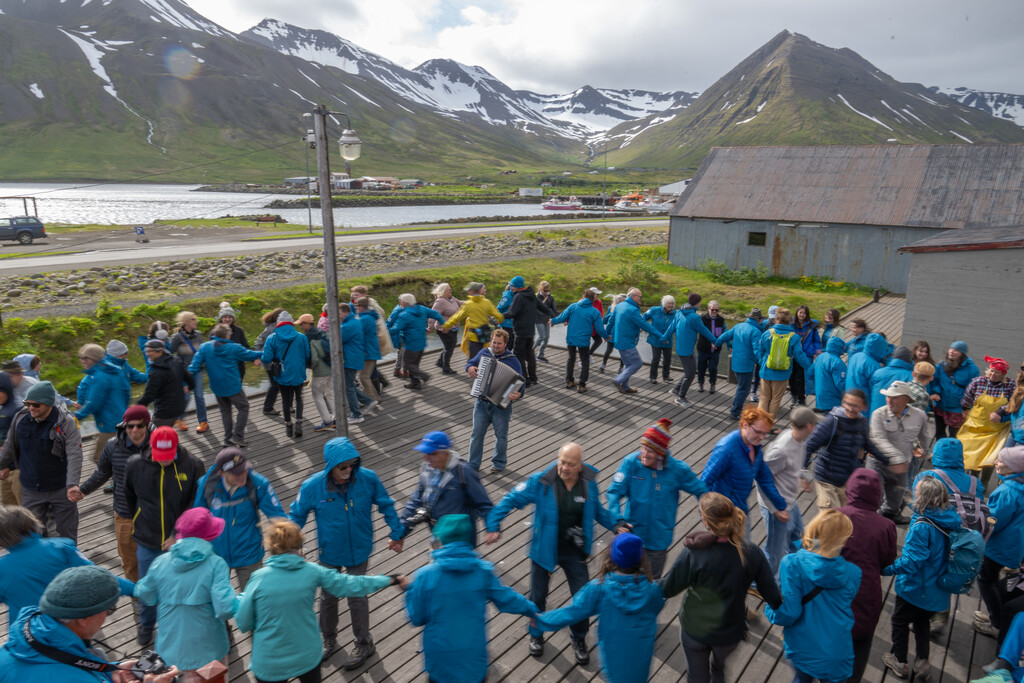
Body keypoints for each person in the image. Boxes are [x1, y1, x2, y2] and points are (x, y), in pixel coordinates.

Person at [485, 442, 618, 664]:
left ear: (580, 466)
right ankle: (536, 635)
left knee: (582, 598)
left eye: (570, 464)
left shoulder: (588, 483)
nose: (564, 467)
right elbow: (511, 499)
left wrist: (617, 524)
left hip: (575, 550)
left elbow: (597, 511)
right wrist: (493, 524)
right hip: (544, 549)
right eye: (562, 461)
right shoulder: (542, 481)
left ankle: (578, 638)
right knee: (538, 597)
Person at [236, 519, 406, 683]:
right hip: (306, 656)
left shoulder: (258, 578)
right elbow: (352, 584)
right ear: (299, 547)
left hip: (269, 663)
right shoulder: (312, 571)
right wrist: (391, 579)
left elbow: (243, 622)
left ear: (272, 548)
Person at [288, 437, 405, 668]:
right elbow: (296, 515)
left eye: (353, 464)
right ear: (330, 466)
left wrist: (397, 533)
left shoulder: (368, 479)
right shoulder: (312, 486)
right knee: (328, 598)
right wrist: (292, 543)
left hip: (359, 549)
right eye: (343, 466)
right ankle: (328, 639)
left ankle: (364, 643)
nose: (349, 470)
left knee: (357, 597)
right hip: (329, 551)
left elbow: (386, 504)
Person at [660, 492, 782, 683]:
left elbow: (668, 588)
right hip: (730, 631)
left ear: (706, 521)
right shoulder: (752, 553)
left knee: (696, 676)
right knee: (719, 668)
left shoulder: (694, 552)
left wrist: (643, 582)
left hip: (695, 629)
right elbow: (773, 597)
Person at [406, 514, 538, 683]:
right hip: (473, 663)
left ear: (439, 541)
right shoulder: (483, 571)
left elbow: (416, 618)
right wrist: (531, 610)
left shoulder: (424, 576)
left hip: (440, 664)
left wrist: (411, 589)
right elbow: (507, 598)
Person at [0, 565, 179, 683]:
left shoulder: (26, 638)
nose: (105, 618)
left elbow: (62, 661)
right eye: (109, 610)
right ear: (83, 619)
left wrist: (109, 671)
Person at [534, 533, 666, 683]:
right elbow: (659, 605)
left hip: (612, 657)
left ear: (612, 556)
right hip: (640, 658)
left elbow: (572, 611)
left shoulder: (599, 589)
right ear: (641, 558)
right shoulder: (652, 590)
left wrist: (541, 620)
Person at [123, 425, 205, 646]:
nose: (164, 461)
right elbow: (129, 497)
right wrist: (140, 521)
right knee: (147, 587)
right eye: (160, 456)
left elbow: (195, 503)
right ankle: (147, 625)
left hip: (181, 541)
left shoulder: (194, 465)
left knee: (184, 587)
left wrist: (177, 534)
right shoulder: (134, 465)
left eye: (168, 457)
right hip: (147, 540)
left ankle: (183, 627)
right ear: (150, 447)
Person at [134, 507, 237, 678]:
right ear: (210, 535)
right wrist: (241, 599)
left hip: (169, 651)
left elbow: (145, 595)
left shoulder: (160, 562)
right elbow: (225, 608)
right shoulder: (216, 564)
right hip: (210, 650)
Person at [0, 505, 134, 633]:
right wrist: (135, 589)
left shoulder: (3, 568)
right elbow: (97, 577)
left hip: (25, 635)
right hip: (67, 629)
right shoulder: (60, 548)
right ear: (32, 524)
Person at [881, 477, 963, 680]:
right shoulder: (950, 518)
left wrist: (888, 569)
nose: (913, 492)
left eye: (916, 491)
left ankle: (899, 661)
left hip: (915, 587)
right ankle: (922, 663)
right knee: (921, 624)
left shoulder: (921, 526)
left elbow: (912, 562)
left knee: (900, 621)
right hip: (935, 589)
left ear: (924, 497)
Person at [765, 510, 860, 683]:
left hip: (802, 647)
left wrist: (770, 610)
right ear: (844, 539)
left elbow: (790, 613)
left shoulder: (791, 563)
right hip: (837, 650)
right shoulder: (854, 573)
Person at [606, 418, 708, 578]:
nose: (644, 455)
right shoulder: (631, 463)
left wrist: (708, 515)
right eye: (642, 448)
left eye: (650, 451)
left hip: (658, 540)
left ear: (661, 452)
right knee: (623, 582)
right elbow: (614, 492)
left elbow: (702, 491)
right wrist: (616, 520)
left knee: (651, 584)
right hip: (632, 536)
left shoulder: (677, 470)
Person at [71, 405, 156, 581]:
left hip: (155, 514)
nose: (134, 430)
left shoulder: (160, 444)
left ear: (147, 425)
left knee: (159, 559)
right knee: (130, 561)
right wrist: (83, 489)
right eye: (129, 426)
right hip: (125, 514)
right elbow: (102, 472)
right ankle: (137, 598)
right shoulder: (112, 446)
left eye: (139, 425)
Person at [912, 438, 984, 635]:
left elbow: (917, 507)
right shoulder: (974, 482)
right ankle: (942, 615)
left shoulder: (926, 476)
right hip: (960, 539)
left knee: (927, 572)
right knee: (948, 572)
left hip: (932, 536)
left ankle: (923, 615)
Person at [0, 381, 83, 542]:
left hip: (61, 488)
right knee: (32, 535)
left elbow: (75, 454)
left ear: (49, 403)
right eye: (28, 403)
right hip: (31, 489)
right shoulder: (20, 418)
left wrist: (72, 484)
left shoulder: (66, 422)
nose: (31, 408)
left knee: (68, 535)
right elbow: (9, 447)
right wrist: (3, 465)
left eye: (36, 404)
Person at [194, 447, 285, 589]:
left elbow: (278, 518)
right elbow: (197, 518)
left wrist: (295, 547)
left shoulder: (259, 483)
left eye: (244, 469)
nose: (243, 475)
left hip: (249, 554)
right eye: (236, 473)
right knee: (218, 605)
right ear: (221, 473)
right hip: (216, 556)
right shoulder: (206, 484)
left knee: (253, 602)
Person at [837, 469, 898, 683]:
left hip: (832, 591)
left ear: (850, 489)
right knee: (860, 644)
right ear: (877, 494)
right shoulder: (887, 526)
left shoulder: (834, 515)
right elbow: (887, 563)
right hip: (866, 595)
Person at [802, 389, 897, 513]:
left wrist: (887, 461)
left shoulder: (862, 422)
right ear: (842, 403)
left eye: (855, 406)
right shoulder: (832, 421)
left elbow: (867, 444)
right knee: (830, 518)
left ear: (864, 406)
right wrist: (803, 474)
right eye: (848, 404)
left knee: (846, 520)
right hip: (826, 478)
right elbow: (809, 445)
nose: (851, 409)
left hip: (847, 480)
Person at [756, 407, 818, 580]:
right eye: (814, 424)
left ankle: (792, 574)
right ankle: (762, 584)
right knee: (775, 550)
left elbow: (796, 465)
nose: (816, 427)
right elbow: (762, 479)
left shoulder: (801, 440)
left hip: (790, 502)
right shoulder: (780, 450)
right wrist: (775, 509)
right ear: (808, 426)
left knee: (798, 539)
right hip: (777, 506)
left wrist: (804, 476)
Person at [399, 431, 492, 546]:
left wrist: (491, 527)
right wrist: (400, 532)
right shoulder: (426, 468)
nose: (425, 458)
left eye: (431, 453)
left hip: (460, 537)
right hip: (437, 533)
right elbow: (415, 500)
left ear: (445, 453)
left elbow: (483, 503)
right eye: (424, 453)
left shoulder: (464, 471)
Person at [700, 406, 791, 525]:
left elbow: (765, 480)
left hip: (740, 511)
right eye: (758, 432)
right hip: (722, 517)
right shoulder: (726, 449)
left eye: (765, 433)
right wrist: (707, 517)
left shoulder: (755, 448)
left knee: (744, 543)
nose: (762, 437)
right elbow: (703, 483)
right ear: (744, 425)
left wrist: (781, 506)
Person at [975, 446, 1024, 640]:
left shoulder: (1008, 491)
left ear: (1014, 467)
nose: (996, 463)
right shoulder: (1019, 486)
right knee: (993, 578)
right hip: (1013, 546)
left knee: (985, 580)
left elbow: (993, 521)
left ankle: (997, 623)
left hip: (998, 547)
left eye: (1001, 461)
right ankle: (997, 615)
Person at [188, 323, 262, 447]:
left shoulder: (205, 347)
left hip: (217, 387)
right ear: (227, 335)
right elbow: (251, 355)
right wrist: (266, 352)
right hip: (232, 386)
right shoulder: (234, 348)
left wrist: (185, 381)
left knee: (225, 411)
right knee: (244, 407)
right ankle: (238, 436)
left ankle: (227, 439)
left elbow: (194, 366)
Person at [868, 380, 933, 522]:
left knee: (895, 499)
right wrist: (897, 458)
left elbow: (924, 436)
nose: (889, 400)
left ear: (906, 399)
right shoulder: (878, 414)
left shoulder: (920, 415)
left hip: (903, 465)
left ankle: (889, 518)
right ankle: (869, 523)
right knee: (873, 496)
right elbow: (879, 439)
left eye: (894, 397)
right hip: (878, 462)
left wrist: (924, 450)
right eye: (888, 396)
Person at [466, 329, 523, 472]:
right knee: (476, 435)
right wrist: (470, 368)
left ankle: (498, 463)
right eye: (494, 343)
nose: (496, 346)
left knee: (501, 436)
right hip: (481, 402)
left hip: (500, 406)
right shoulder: (485, 353)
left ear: (505, 344)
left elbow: (521, 383)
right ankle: (473, 465)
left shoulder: (512, 360)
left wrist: (518, 394)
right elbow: (470, 363)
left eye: (499, 344)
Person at [959, 356, 1016, 474]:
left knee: (990, 458)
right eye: (992, 370)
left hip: (996, 430)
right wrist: (964, 409)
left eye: (998, 373)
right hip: (975, 426)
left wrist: (1000, 412)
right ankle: (972, 478)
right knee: (971, 454)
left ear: (1003, 375)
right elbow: (966, 399)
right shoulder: (977, 382)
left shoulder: (1010, 385)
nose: (993, 374)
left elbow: (1014, 402)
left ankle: (984, 482)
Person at [75, 343, 130, 462]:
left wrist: (76, 417)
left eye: (85, 358)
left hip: (110, 424)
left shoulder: (101, 376)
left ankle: (121, 479)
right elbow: (127, 393)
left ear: (94, 358)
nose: (82, 360)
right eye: (81, 358)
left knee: (99, 457)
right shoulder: (113, 370)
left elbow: (94, 403)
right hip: (120, 419)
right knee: (115, 455)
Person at [755, 307, 812, 418]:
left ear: (776, 319)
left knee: (764, 398)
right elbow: (799, 356)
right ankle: (769, 425)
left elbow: (759, 351)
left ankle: (760, 423)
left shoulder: (767, 333)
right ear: (789, 321)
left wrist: (763, 362)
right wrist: (810, 367)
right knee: (776, 400)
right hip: (782, 373)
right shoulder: (794, 337)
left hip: (766, 370)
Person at [261, 311, 311, 438]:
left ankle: (288, 425)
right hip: (298, 372)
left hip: (282, 373)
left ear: (278, 323)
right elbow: (307, 355)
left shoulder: (272, 338)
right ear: (291, 323)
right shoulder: (301, 337)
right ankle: (299, 423)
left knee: (285, 400)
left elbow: (266, 358)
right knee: (299, 398)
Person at [661, 298, 718, 406]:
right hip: (687, 351)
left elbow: (671, 327)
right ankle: (680, 397)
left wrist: (664, 337)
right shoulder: (694, 317)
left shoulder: (679, 313)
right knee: (690, 375)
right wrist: (715, 341)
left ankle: (676, 390)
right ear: (695, 303)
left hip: (680, 349)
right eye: (700, 301)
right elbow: (704, 330)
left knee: (689, 372)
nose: (701, 303)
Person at [550, 287, 607, 393]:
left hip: (571, 337)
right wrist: (606, 336)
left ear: (583, 296)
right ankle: (581, 385)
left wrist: (552, 321)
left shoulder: (573, 306)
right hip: (584, 340)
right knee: (585, 361)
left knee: (571, 359)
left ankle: (569, 381)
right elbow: (599, 328)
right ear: (592, 299)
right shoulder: (594, 311)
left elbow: (562, 317)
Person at [504, 275, 555, 385]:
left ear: (517, 287)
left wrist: (499, 316)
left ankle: (525, 380)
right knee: (530, 355)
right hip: (530, 331)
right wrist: (554, 317)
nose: (511, 288)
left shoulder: (519, 297)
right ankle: (533, 378)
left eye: (512, 286)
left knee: (519, 355)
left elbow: (512, 313)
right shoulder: (531, 295)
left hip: (520, 331)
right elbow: (543, 308)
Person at [715, 307, 765, 419]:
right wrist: (763, 362)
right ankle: (735, 411)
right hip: (746, 365)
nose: (761, 321)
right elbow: (757, 350)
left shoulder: (739, 326)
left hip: (735, 362)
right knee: (744, 389)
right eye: (761, 319)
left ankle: (736, 406)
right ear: (757, 319)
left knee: (740, 387)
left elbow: (724, 336)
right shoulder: (756, 332)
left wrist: (716, 343)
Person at [389, 293, 446, 390]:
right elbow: (436, 314)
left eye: (400, 300)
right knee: (414, 364)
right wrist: (443, 324)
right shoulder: (422, 309)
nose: (399, 302)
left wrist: (383, 332)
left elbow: (395, 329)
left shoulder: (404, 315)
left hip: (410, 344)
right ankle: (415, 383)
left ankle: (424, 376)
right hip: (421, 342)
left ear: (405, 302)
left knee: (408, 364)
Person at [610, 287, 660, 394]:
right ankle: (618, 380)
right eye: (639, 297)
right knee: (637, 363)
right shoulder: (633, 310)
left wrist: (606, 334)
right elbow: (645, 325)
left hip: (619, 340)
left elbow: (611, 321)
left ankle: (625, 387)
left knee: (628, 364)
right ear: (632, 296)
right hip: (627, 342)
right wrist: (660, 335)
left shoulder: (619, 306)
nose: (641, 299)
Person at [137, 339, 194, 429]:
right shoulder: (176, 361)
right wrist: (190, 387)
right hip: (179, 408)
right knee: (167, 433)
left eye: (149, 351)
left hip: (164, 413)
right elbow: (190, 379)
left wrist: (135, 408)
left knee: (156, 436)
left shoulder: (156, 372)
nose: (147, 354)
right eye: (146, 351)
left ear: (159, 351)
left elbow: (149, 396)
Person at [929, 341, 980, 440]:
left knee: (955, 437)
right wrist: (935, 392)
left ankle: (952, 455)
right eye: (951, 349)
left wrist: (967, 407)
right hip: (940, 406)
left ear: (962, 353)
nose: (952, 352)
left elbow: (973, 390)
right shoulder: (941, 365)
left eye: (956, 350)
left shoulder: (972, 369)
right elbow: (935, 381)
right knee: (939, 434)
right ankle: (940, 454)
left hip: (957, 409)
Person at [441, 281, 503, 360]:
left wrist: (446, 326)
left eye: (469, 290)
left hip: (474, 337)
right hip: (485, 336)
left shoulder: (468, 304)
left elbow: (457, 317)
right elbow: (499, 316)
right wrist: (497, 322)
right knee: (484, 358)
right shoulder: (487, 302)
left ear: (472, 291)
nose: (467, 291)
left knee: (473, 360)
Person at [169, 311, 208, 433]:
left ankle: (203, 421)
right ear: (186, 322)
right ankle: (179, 419)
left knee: (199, 396)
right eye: (193, 319)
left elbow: (202, 352)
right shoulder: (177, 337)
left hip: (197, 370)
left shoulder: (199, 335)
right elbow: (169, 354)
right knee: (185, 397)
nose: (196, 321)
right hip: (184, 372)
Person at [339, 302, 377, 424]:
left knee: (348, 387)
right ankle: (368, 401)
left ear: (345, 312)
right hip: (354, 357)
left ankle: (356, 414)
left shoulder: (348, 325)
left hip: (350, 359)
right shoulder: (354, 321)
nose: (337, 316)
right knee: (349, 385)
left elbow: (337, 339)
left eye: (338, 313)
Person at [298, 313, 334, 431]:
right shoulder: (322, 332)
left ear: (306, 324)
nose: (301, 327)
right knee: (329, 393)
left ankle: (327, 421)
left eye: (302, 324)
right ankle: (336, 418)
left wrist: (309, 366)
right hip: (332, 367)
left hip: (320, 370)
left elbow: (314, 358)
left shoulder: (309, 337)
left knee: (317, 395)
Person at [253, 307, 285, 416]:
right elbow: (258, 342)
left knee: (280, 383)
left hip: (277, 361)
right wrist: (257, 357)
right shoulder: (271, 329)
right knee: (275, 385)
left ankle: (287, 405)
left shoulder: (280, 328)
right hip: (270, 362)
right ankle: (267, 407)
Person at [867, 345, 915, 415]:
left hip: (875, 415)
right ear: (909, 359)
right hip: (896, 418)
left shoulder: (878, 373)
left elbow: (870, 390)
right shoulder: (910, 376)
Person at [789, 305, 821, 407]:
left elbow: (816, 340)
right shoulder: (791, 325)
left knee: (800, 378)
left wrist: (815, 350)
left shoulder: (812, 326)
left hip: (805, 355)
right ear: (797, 313)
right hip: (792, 355)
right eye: (800, 312)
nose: (802, 315)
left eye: (804, 313)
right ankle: (793, 396)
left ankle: (801, 400)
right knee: (791, 377)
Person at [429, 282, 462, 375]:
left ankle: (440, 362)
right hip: (443, 329)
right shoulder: (440, 302)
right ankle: (446, 368)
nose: (451, 291)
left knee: (449, 346)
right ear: (444, 291)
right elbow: (433, 315)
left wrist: (472, 302)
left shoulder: (452, 299)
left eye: (451, 289)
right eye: (449, 290)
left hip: (454, 328)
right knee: (449, 348)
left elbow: (461, 303)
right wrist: (430, 327)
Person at [643, 294, 676, 385]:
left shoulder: (675, 314)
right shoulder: (655, 310)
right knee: (656, 358)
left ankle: (666, 376)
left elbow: (677, 327)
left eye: (672, 303)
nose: (671, 305)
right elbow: (643, 318)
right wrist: (646, 328)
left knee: (667, 359)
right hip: (655, 339)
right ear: (664, 303)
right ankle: (653, 377)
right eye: (669, 303)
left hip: (668, 340)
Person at [808, 335, 847, 412]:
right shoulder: (837, 362)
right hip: (833, 399)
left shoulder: (820, 357)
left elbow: (810, 373)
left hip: (820, 397)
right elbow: (841, 384)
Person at [697, 300, 728, 394]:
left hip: (716, 350)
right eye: (712, 310)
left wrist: (729, 345)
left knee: (713, 368)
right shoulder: (702, 319)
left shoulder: (721, 320)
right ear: (708, 309)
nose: (714, 312)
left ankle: (712, 384)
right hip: (703, 348)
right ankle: (700, 383)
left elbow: (725, 333)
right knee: (701, 367)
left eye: (716, 310)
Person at [214, 302, 250, 380]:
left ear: (233, 318)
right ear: (221, 318)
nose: (227, 319)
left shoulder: (238, 331)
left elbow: (245, 347)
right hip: (223, 369)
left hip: (238, 369)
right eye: (225, 317)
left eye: (230, 317)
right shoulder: (215, 332)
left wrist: (254, 357)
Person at [845, 332, 887, 397]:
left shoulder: (855, 356)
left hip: (849, 396)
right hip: (863, 402)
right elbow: (875, 390)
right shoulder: (874, 365)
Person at [996, 366, 1024, 448]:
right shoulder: (1020, 389)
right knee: (1002, 459)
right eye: (1023, 368)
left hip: (1021, 439)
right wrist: (1001, 418)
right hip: (1015, 434)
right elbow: (1016, 411)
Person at [534, 280, 557, 363]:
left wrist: (558, 318)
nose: (547, 292)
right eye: (545, 291)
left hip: (546, 320)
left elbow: (554, 309)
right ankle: (530, 351)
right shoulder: (536, 297)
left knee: (546, 337)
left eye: (548, 290)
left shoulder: (551, 298)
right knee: (541, 336)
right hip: (538, 319)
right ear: (541, 289)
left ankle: (540, 355)